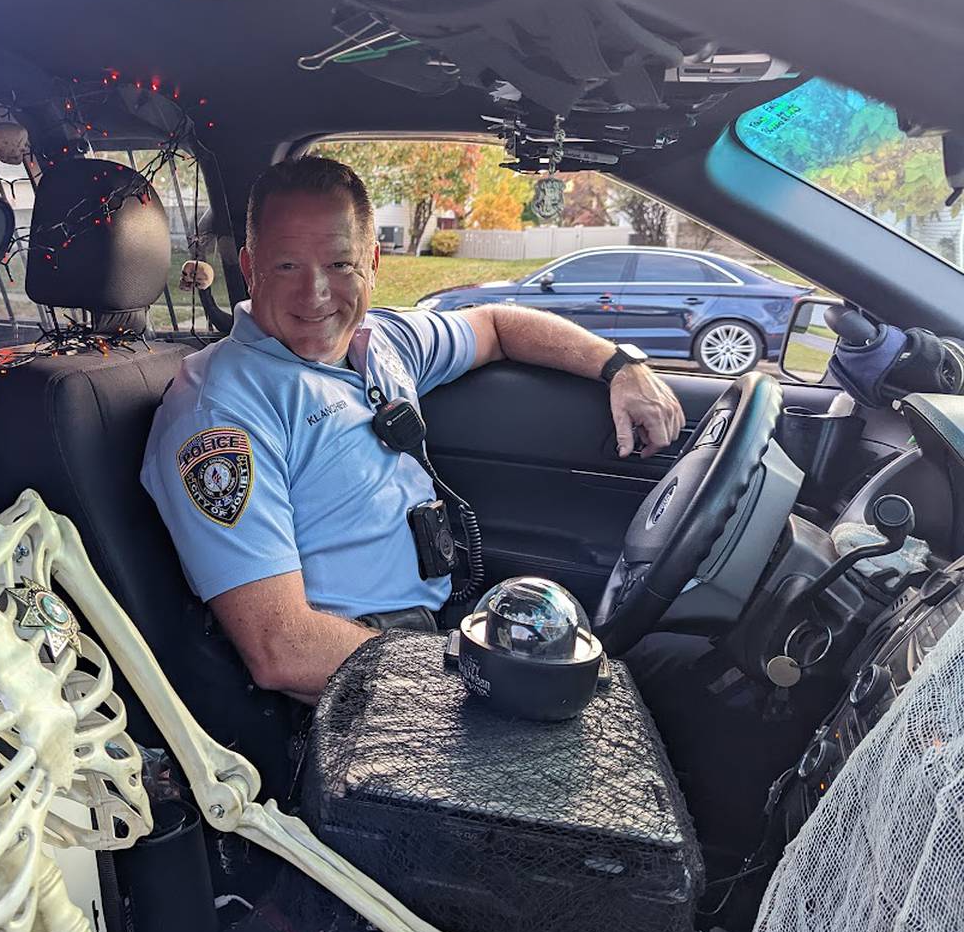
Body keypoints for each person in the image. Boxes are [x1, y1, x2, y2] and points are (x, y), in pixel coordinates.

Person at [141, 156, 684, 705]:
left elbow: (498, 325)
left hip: (430, 641)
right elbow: (282, 648)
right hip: (353, 691)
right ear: (249, 266)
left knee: (663, 668)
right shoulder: (220, 413)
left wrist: (620, 366)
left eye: (339, 265)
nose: (315, 295)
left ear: (372, 263)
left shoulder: (382, 341)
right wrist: (467, 675)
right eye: (286, 267)